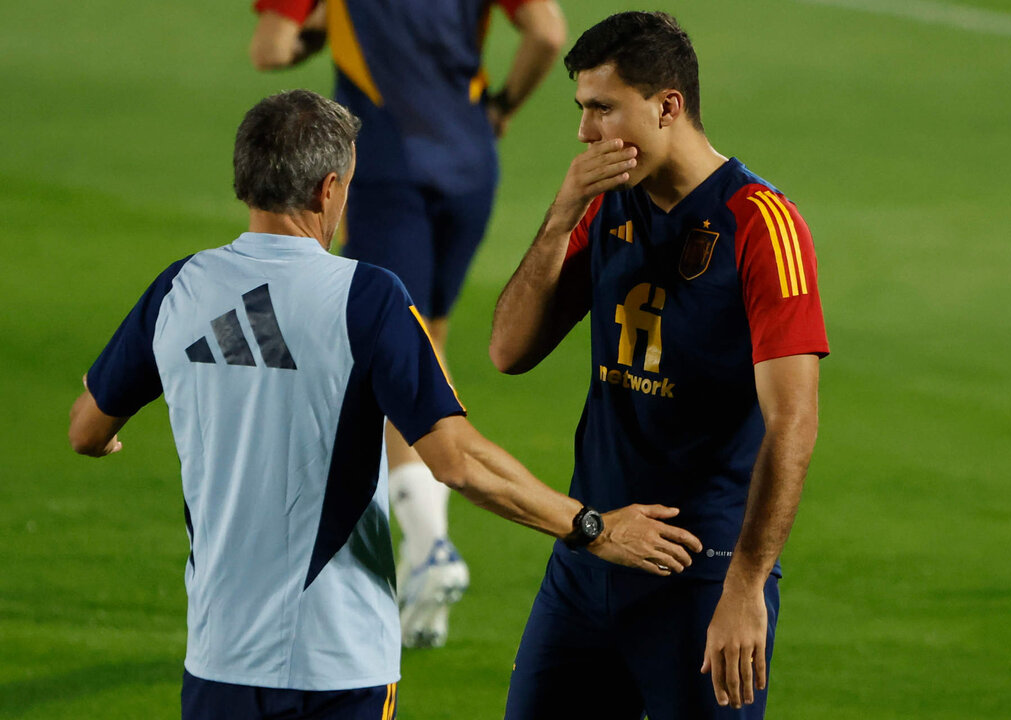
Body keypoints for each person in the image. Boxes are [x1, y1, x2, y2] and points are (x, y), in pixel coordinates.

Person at [67, 89, 702, 720]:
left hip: (218, 660)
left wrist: (107, 440)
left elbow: (86, 427)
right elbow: (457, 461)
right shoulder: (364, 298)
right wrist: (591, 527)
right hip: (337, 663)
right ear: (328, 189)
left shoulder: (178, 290)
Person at [489, 12, 830, 719]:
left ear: (667, 106)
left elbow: (792, 420)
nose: (585, 132)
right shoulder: (606, 205)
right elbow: (508, 351)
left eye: (601, 108)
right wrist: (560, 217)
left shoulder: (761, 225)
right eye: (582, 109)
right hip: (589, 562)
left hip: (699, 579)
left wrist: (745, 586)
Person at [248, 0, 567, 647]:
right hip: (470, 158)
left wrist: (321, 29)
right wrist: (502, 105)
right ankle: (424, 572)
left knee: (388, 350)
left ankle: (428, 546)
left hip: (387, 162)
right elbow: (548, 33)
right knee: (429, 335)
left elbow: (271, 50)